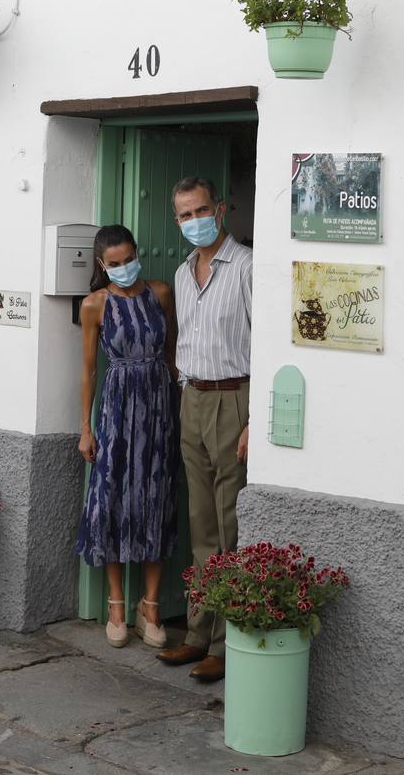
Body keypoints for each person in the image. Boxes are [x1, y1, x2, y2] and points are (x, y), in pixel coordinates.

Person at [156, 177, 252, 684]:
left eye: (201, 210)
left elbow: (268, 344)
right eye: (184, 214)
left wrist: (254, 418)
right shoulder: (181, 272)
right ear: (176, 220)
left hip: (234, 398)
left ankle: (224, 643)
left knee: (229, 523)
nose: (194, 220)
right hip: (192, 398)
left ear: (220, 208)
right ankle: (196, 633)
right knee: (201, 525)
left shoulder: (248, 267)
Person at [74, 225, 179, 649]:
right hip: (116, 411)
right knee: (113, 500)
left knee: (157, 498)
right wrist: (85, 427)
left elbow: (172, 354)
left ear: (138, 253)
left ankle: (149, 606)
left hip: (158, 410)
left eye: (127, 259)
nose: (122, 268)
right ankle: (117, 604)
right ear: (103, 265)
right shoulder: (94, 305)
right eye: (113, 264)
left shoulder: (161, 293)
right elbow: (88, 369)